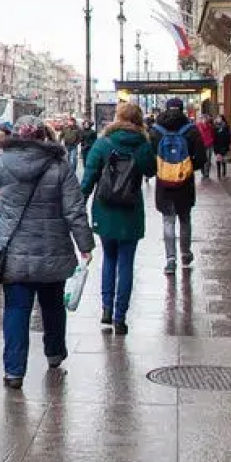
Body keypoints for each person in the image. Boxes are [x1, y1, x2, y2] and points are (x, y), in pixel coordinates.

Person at [0, 116, 95, 387]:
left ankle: (14, 371)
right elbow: (75, 209)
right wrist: (85, 246)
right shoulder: (59, 166)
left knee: (16, 309)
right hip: (53, 249)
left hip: (14, 251)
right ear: (43, 136)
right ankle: (55, 353)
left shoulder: (0, 164)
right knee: (53, 305)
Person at [82, 101, 157, 335]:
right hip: (130, 210)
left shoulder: (103, 143)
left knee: (109, 259)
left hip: (105, 209)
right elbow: (151, 171)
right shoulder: (142, 144)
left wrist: (77, 206)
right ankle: (120, 317)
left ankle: (106, 308)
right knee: (126, 263)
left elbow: (89, 177)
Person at [151, 97, 210, 275]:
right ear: (182, 109)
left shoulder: (156, 130)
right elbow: (201, 158)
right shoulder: (190, 129)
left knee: (168, 220)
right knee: (185, 218)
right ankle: (185, 253)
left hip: (164, 183)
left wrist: (162, 169)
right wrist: (187, 168)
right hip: (185, 182)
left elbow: (149, 155)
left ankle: (170, 259)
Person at [212, 115, 231, 180]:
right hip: (217, 146)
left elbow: (229, 136)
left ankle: (224, 174)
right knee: (218, 160)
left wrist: (228, 144)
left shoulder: (226, 126)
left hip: (224, 145)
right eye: (217, 118)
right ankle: (218, 174)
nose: (218, 119)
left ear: (222, 119)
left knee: (223, 160)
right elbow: (213, 137)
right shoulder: (214, 127)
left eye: (220, 118)